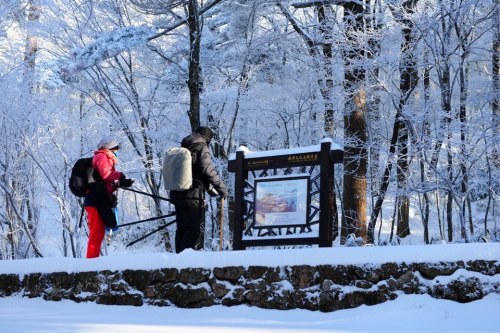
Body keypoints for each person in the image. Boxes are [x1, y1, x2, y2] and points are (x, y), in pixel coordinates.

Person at [170, 126, 228, 253]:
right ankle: (184, 263)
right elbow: (207, 169)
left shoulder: (183, 148)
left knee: (181, 229)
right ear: (207, 138)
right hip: (192, 195)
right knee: (192, 230)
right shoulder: (201, 148)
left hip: (177, 194)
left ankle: (177, 262)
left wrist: (208, 187)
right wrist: (221, 188)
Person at [85, 139, 134, 258]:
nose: (117, 152)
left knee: (98, 231)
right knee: (97, 231)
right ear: (111, 149)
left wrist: (121, 182)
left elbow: (105, 181)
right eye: (116, 149)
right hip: (95, 199)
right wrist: (120, 175)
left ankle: (92, 259)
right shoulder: (101, 156)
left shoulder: (106, 158)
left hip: (100, 198)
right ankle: (90, 262)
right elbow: (106, 175)